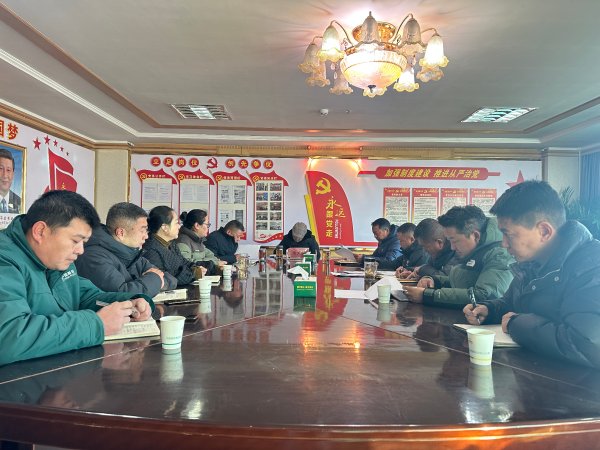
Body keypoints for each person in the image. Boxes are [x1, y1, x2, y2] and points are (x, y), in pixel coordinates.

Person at [0, 190, 153, 366]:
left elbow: (85, 297)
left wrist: (130, 303)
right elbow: (9, 338)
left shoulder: (55, 259)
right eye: (75, 241)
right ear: (40, 231)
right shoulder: (5, 259)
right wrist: (96, 325)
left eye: (83, 242)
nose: (80, 251)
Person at [464, 180, 600, 368]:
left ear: (544, 231)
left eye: (509, 234)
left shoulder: (591, 266)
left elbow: (587, 344)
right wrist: (489, 310)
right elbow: (511, 303)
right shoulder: (531, 262)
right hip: (536, 372)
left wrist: (515, 324)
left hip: (576, 383)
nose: (504, 243)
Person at [403, 205, 514, 308]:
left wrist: (428, 295)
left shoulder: (499, 254)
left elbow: (484, 296)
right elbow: (462, 280)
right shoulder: (475, 249)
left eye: (455, 241)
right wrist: (434, 280)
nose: (452, 247)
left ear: (475, 236)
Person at [76, 202, 177, 297]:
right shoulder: (93, 257)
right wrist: (155, 279)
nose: (146, 236)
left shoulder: (132, 253)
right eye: (142, 230)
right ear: (121, 233)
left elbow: (170, 279)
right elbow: (121, 295)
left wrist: (154, 281)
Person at [142, 206, 202, 286]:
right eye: (176, 223)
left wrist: (195, 268)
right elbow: (167, 278)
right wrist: (193, 273)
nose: (179, 226)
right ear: (165, 227)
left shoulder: (171, 243)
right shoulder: (150, 250)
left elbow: (183, 262)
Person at [175, 209, 224, 273]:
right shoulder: (183, 241)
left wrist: (210, 262)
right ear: (197, 225)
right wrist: (212, 262)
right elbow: (186, 264)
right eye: (207, 225)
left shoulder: (199, 240)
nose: (208, 228)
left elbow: (212, 256)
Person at [0, 148, 21, 214]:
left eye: (8, 170)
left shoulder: (20, 202)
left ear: (13, 174)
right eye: (0, 169)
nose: (5, 175)